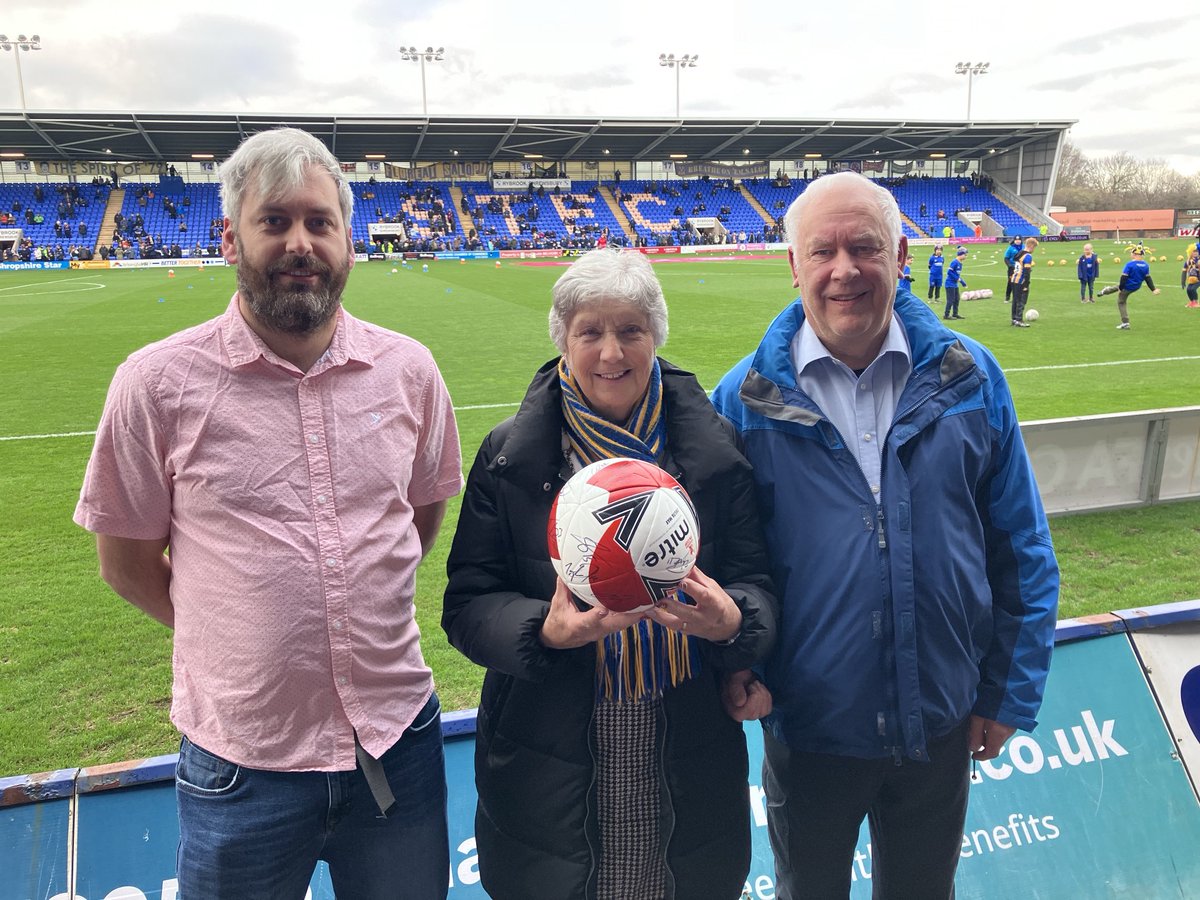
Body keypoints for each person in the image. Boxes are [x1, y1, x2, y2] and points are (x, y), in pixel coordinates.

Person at [73, 128, 462, 899]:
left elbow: (419, 521)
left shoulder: (409, 370)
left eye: (320, 222)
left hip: (396, 742)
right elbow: (123, 564)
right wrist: (231, 635)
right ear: (230, 240)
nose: (300, 242)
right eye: (274, 221)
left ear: (349, 240)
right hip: (242, 763)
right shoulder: (154, 384)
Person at [711, 171, 1059, 900]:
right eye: (824, 251)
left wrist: (1007, 690)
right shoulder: (742, 400)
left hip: (940, 718)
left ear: (901, 255)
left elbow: (1020, 544)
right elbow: (720, 567)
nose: (845, 271)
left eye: (864, 248)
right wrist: (736, 667)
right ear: (794, 265)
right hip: (809, 729)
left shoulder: (970, 375)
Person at [442, 248, 777, 900]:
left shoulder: (712, 452)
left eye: (631, 330)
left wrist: (734, 619)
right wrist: (545, 630)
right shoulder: (513, 457)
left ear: (656, 336)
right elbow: (467, 603)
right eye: (589, 331)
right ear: (563, 341)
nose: (611, 352)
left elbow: (758, 580)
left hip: (686, 745)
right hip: (552, 752)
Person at [1110, 246, 1160, 329]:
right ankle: (1104, 291)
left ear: (1135, 254)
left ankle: (1125, 323)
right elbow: (1148, 278)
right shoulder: (1145, 265)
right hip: (1136, 286)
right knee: (1118, 292)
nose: (1130, 254)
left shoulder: (1129, 264)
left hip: (1127, 286)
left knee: (1121, 302)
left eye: (1131, 253)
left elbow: (1124, 277)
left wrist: (1121, 288)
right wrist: (1153, 289)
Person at [1010, 237, 1038, 327]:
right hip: (1021, 280)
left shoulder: (1020, 253)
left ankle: (1014, 319)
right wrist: (1026, 284)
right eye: (1034, 247)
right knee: (1021, 301)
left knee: (1015, 300)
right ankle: (1019, 320)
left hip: (1014, 279)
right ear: (1031, 246)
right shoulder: (1028, 256)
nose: (1034, 250)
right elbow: (1026, 271)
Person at [943, 246, 968, 320]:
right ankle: (946, 315)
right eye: (965, 255)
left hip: (955, 284)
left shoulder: (960, 263)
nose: (966, 256)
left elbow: (957, 275)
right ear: (961, 254)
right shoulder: (955, 262)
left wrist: (962, 282)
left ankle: (955, 313)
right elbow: (949, 272)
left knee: (957, 299)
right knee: (950, 300)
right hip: (949, 284)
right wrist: (959, 280)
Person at [1003, 236, 1022, 304]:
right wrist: (1009, 265)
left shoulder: (1023, 247)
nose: (1017, 241)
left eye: (1019, 240)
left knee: (1020, 282)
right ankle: (1007, 297)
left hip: (1021, 267)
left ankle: (1017, 298)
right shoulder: (1011, 248)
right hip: (1012, 268)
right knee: (1011, 283)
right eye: (1016, 240)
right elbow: (1006, 258)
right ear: (1014, 241)